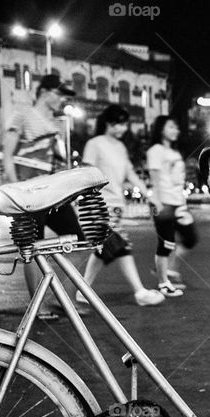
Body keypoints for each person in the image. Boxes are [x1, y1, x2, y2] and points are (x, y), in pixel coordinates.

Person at [0, 74, 84, 318]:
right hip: (28, 193)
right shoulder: (22, 115)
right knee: (31, 248)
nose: (62, 101)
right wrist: (17, 190)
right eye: (60, 95)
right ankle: (38, 305)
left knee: (79, 241)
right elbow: (7, 154)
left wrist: (69, 191)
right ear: (46, 92)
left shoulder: (57, 125)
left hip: (53, 194)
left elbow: (58, 163)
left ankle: (66, 299)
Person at [77, 105, 165, 307]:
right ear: (109, 123)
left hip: (116, 204)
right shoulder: (94, 144)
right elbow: (86, 172)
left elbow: (130, 174)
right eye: (121, 123)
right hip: (97, 204)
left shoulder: (120, 147)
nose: (124, 128)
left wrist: (148, 194)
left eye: (126, 124)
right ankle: (140, 292)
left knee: (103, 249)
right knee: (121, 245)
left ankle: (82, 290)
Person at [146, 115, 197, 297]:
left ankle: (169, 270)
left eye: (176, 128)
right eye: (171, 127)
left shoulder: (175, 153)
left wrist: (182, 203)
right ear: (161, 130)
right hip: (163, 202)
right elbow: (155, 178)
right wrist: (157, 202)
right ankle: (163, 283)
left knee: (190, 238)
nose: (176, 130)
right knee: (166, 244)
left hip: (178, 202)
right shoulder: (156, 151)